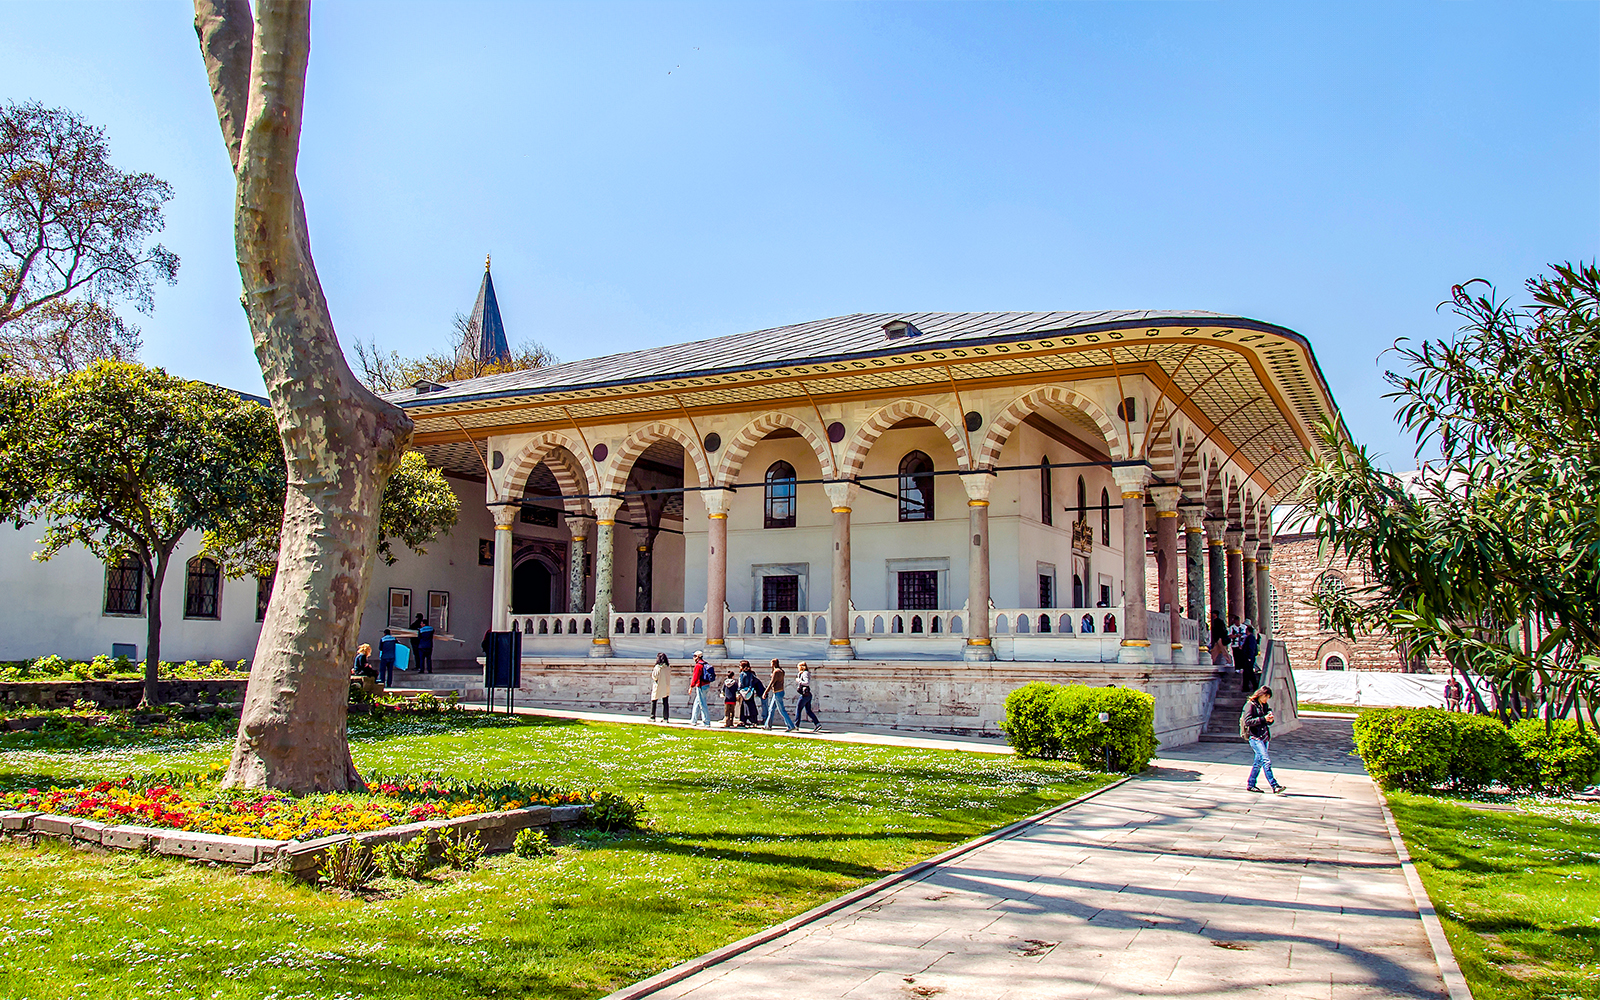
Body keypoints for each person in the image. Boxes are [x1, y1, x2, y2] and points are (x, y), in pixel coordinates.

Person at [1240, 686, 1286, 794]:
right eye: (1265, 697)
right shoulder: (1250, 705)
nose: (1266, 699)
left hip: (1264, 736)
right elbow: (1248, 721)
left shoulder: (1264, 706)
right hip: (1255, 737)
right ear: (1260, 695)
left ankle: (1251, 784)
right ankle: (1274, 785)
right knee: (1266, 760)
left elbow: (1267, 722)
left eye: (1268, 697)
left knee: (1258, 762)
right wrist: (1263, 719)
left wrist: (1269, 719)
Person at [764, 658, 796, 731]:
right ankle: (767, 725)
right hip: (779, 691)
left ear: (773, 664)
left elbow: (772, 682)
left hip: (777, 692)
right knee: (771, 709)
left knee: (781, 710)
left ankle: (791, 726)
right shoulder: (781, 671)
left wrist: (766, 692)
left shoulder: (776, 672)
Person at [687, 650, 713, 727]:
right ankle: (693, 720)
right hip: (706, 685)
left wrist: (691, 687)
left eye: (694, 656)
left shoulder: (698, 665)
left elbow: (695, 677)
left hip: (701, 685)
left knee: (702, 703)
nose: (693, 658)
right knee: (697, 703)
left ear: (698, 657)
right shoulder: (705, 663)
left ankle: (706, 721)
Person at [794, 661, 821, 731]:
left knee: (798, 709)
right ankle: (817, 724)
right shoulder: (804, 673)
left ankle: (796, 725)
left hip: (805, 695)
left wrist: (799, 681)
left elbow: (807, 683)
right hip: (807, 695)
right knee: (808, 711)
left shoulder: (805, 673)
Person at [1238, 620, 1260, 694]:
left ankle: (1253, 686)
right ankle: (1246, 687)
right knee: (1247, 673)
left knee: (1249, 673)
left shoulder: (1251, 638)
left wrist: (1249, 657)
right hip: (1247, 657)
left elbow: (1251, 648)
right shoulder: (1249, 638)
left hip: (1249, 658)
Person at [649, 652, 672, 722]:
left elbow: (655, 676)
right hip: (666, 685)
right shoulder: (668, 667)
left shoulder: (658, 667)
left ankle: (652, 716)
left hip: (658, 685)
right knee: (665, 702)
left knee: (654, 700)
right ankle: (666, 717)